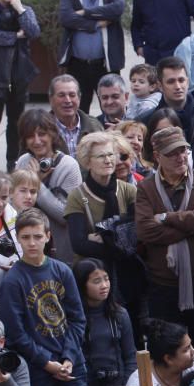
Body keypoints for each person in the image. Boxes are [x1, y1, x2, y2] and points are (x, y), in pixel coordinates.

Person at [0, 208, 90, 386]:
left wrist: (69, 357)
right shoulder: (13, 280)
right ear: (18, 240)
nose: (32, 242)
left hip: (69, 358)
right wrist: (47, 362)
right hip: (37, 364)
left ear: (48, 237)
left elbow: (77, 318)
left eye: (38, 236)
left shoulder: (62, 270)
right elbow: (16, 333)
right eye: (25, 237)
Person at [135, 126, 194, 371]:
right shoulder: (146, 188)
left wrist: (166, 217)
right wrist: (192, 219)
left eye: (183, 150)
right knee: (167, 349)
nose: (181, 157)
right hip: (164, 286)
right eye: (173, 153)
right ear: (157, 156)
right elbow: (145, 231)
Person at [65, 132, 143, 325]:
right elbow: (79, 244)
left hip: (128, 275)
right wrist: (119, 238)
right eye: (101, 156)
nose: (108, 160)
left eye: (111, 154)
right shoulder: (77, 196)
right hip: (93, 277)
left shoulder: (128, 190)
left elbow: (138, 236)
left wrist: (105, 236)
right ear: (87, 162)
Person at [74, 258, 136, 386]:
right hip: (88, 385)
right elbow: (74, 362)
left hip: (116, 383)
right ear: (82, 285)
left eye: (106, 279)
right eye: (96, 281)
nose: (104, 285)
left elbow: (130, 356)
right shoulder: (75, 318)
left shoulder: (120, 314)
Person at [15, 109, 83, 265]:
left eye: (42, 134)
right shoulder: (23, 162)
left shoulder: (68, 166)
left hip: (60, 254)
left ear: (53, 134)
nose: (37, 141)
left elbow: (66, 216)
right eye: (31, 136)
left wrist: (36, 184)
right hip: (29, 251)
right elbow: (17, 209)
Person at [0, 0, 39, 172]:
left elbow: (34, 32)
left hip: (19, 73)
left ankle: (13, 163)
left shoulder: (25, 9)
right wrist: (16, 36)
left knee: (17, 121)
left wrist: (20, 9)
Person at [58, 0, 125, 114]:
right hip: (77, 65)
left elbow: (117, 9)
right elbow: (66, 18)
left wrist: (85, 13)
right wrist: (96, 23)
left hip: (105, 65)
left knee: (112, 109)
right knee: (77, 111)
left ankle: (111, 133)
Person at [144, 56, 194, 147]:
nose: (178, 86)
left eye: (181, 80)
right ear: (160, 85)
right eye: (171, 81)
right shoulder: (147, 121)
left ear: (187, 82)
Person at [131, 0, 194, 65]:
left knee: (177, 82)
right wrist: (139, 47)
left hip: (180, 57)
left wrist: (193, 45)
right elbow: (136, 26)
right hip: (153, 58)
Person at [48, 74, 105, 156]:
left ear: (79, 98)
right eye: (61, 95)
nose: (67, 100)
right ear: (51, 99)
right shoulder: (41, 129)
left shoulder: (94, 126)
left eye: (72, 95)